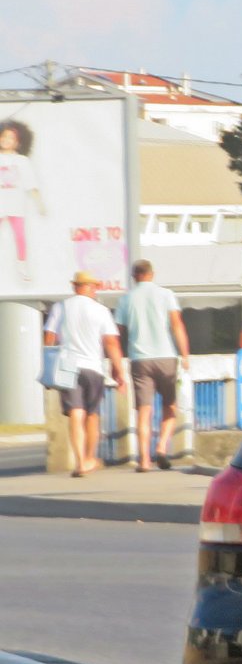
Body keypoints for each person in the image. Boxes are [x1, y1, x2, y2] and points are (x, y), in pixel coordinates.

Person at [43, 270, 126, 477]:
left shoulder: (60, 308)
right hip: (93, 366)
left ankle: (80, 461)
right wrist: (119, 371)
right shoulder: (101, 310)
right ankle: (89, 457)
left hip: (67, 365)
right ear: (91, 287)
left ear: (75, 286)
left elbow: (49, 338)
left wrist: (47, 369)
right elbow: (111, 343)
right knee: (92, 415)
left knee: (75, 414)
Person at [116, 258, 190, 472]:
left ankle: (144, 461)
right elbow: (177, 325)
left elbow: (119, 333)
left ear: (134, 276)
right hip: (167, 356)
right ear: (152, 273)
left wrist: (117, 361)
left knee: (144, 411)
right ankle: (161, 448)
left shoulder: (125, 300)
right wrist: (184, 354)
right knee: (170, 406)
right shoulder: (166, 295)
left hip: (139, 359)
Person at [0, 119, 45, 283]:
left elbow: (31, 184)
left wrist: (40, 204)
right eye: (4, 137)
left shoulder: (21, 161)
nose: (6, 141)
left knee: (19, 236)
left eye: (11, 138)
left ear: (17, 142)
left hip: (15, 205)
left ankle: (22, 267)